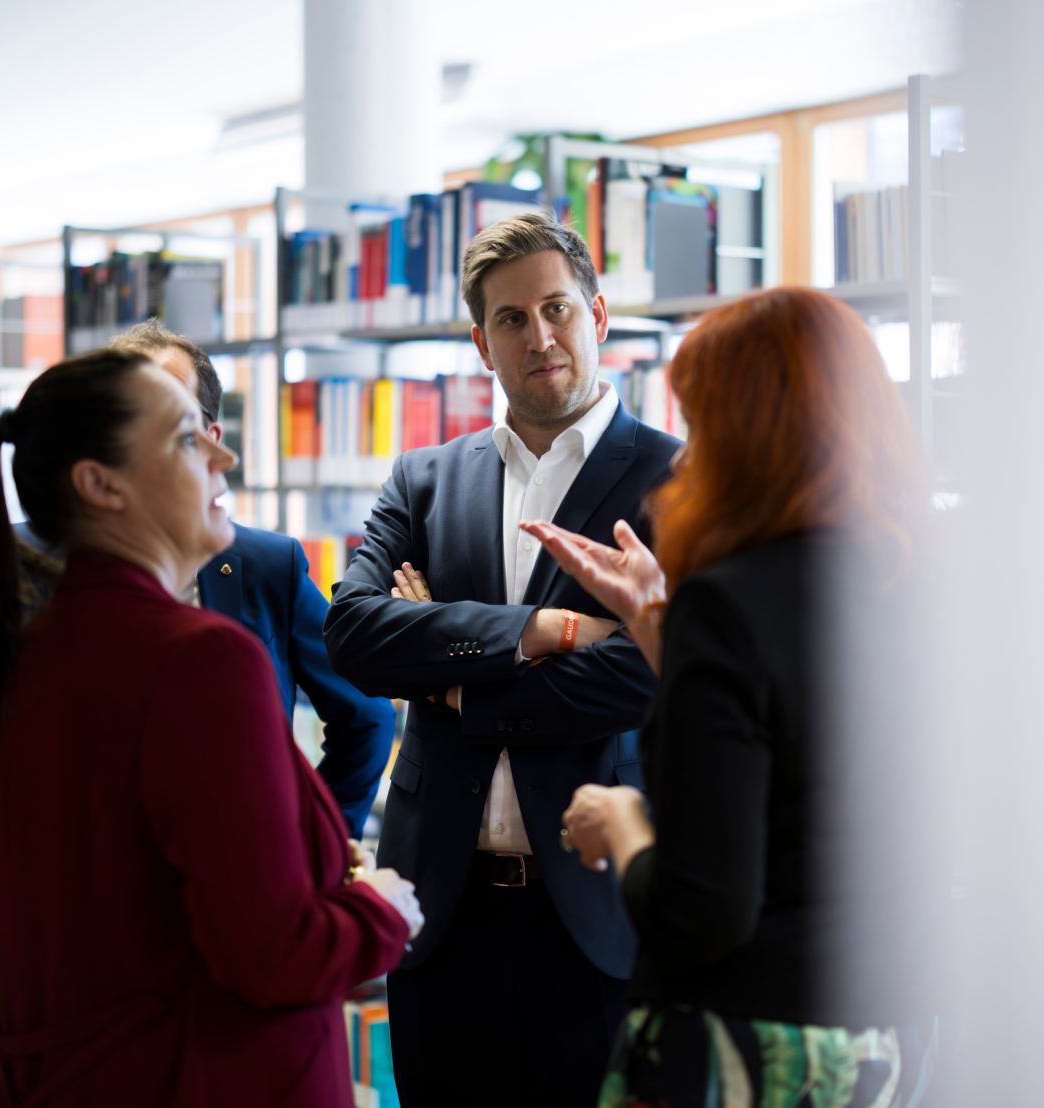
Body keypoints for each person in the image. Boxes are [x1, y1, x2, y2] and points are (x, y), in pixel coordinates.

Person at [0, 348, 421, 1106]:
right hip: (207, 1073)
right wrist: (380, 910)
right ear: (101, 484)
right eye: (189, 438)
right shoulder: (202, 661)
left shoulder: (28, 648)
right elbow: (272, 956)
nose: (226, 452)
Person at [525, 287, 941, 1106]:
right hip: (888, 1038)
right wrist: (657, 631)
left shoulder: (730, 601)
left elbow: (702, 911)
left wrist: (625, 824)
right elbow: (811, 744)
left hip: (749, 1043)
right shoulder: (916, 586)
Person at [322, 211, 681, 1106]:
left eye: (557, 308)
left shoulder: (679, 481)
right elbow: (355, 634)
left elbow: (647, 673)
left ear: (598, 317)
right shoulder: (424, 478)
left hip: (599, 914)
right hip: (444, 911)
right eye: (512, 320)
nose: (541, 335)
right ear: (482, 342)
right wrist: (546, 632)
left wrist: (444, 668)